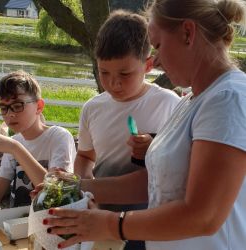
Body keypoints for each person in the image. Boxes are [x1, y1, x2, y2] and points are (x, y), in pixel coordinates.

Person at [43, 0, 246, 250]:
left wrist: (110, 224)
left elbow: (204, 215)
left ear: (188, 33)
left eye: (158, 45)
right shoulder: (191, 102)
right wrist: (77, 187)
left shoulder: (229, 98)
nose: (156, 61)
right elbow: (152, 183)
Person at [74, 10, 180, 249]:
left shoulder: (169, 104)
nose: (114, 83)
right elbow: (84, 156)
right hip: (99, 211)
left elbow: (174, 168)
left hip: (146, 218)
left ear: (148, 65)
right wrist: (83, 184)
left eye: (125, 73)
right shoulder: (92, 108)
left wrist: (153, 147)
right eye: (104, 73)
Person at [0, 71, 76, 207]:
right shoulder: (14, 142)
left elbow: (55, 194)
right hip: (14, 221)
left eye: (17, 106)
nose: (10, 114)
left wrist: (15, 148)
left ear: (39, 106)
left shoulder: (59, 137)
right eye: (3, 108)